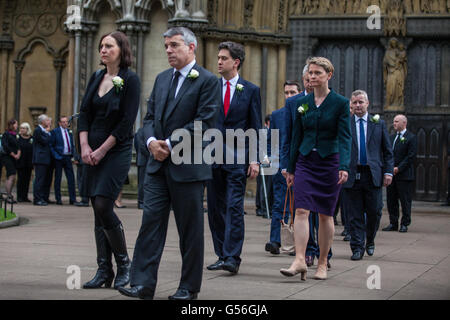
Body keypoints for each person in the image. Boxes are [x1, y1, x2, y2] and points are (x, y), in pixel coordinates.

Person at [119, 27, 220, 300]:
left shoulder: (208, 81)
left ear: (191, 47)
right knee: (150, 224)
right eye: (166, 46)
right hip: (157, 166)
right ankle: (142, 284)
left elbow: (206, 122)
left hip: (188, 167)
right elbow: (149, 116)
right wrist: (151, 141)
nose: (168, 50)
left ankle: (188, 288)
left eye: (174, 45)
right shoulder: (163, 78)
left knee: (190, 231)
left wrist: (171, 145)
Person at [78, 31, 140, 290]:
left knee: (104, 205)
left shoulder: (130, 79)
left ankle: (125, 266)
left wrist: (102, 150)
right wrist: (83, 145)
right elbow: (84, 113)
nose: (103, 50)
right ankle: (104, 270)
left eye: (109, 46)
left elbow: (127, 122)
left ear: (121, 49)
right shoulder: (96, 77)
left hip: (115, 150)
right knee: (96, 208)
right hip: (90, 150)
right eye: (101, 46)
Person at [281, 57, 351, 281]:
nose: (312, 77)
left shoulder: (340, 103)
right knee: (300, 210)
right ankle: (300, 259)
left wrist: (344, 165)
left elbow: (345, 137)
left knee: (325, 215)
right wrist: (290, 168)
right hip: (305, 162)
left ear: (328, 75)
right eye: (310, 73)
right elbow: (295, 137)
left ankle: (322, 263)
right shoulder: (303, 103)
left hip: (329, 162)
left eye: (317, 73)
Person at [206, 41, 261, 275]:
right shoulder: (209, 87)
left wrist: (255, 159)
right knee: (215, 209)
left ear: (236, 62)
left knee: (234, 207)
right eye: (218, 58)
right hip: (212, 158)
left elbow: (256, 127)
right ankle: (221, 254)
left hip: (238, 159)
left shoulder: (250, 90)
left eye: (223, 58)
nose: (219, 61)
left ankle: (232, 257)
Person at [342, 90, 393, 261]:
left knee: (375, 212)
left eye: (361, 102)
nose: (358, 105)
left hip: (373, 175)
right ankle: (357, 247)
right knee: (354, 214)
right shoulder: (345, 124)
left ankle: (370, 239)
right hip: (352, 174)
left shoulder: (378, 124)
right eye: (355, 102)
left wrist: (387, 171)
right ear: (351, 104)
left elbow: (387, 151)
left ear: (367, 103)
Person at [265, 80, 300, 255]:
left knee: (298, 204)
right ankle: (275, 241)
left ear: (299, 93)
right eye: (286, 93)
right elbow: (271, 139)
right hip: (281, 166)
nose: (289, 96)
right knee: (279, 203)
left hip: (301, 165)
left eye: (292, 92)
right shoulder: (277, 115)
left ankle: (297, 242)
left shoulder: (304, 111)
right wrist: (272, 159)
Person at [383, 115, 417, 233]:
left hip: (404, 175)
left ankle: (404, 223)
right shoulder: (391, 137)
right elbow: (387, 153)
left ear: (404, 123)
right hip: (391, 174)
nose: (394, 124)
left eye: (397, 121)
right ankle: (393, 223)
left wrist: (398, 168)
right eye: (394, 121)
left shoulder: (411, 137)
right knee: (391, 200)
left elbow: (411, 156)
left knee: (405, 200)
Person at [50, 116, 78, 205]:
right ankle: (58, 199)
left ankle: (72, 199)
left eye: (66, 122)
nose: (65, 123)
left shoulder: (69, 132)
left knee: (71, 179)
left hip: (68, 157)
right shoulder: (55, 132)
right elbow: (51, 145)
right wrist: (56, 156)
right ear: (59, 123)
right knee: (58, 178)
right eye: (63, 122)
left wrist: (74, 156)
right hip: (59, 157)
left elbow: (73, 144)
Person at [255, 115, 273, 218]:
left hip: (270, 161)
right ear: (267, 123)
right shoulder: (263, 131)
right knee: (263, 186)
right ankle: (262, 208)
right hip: (263, 160)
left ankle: (266, 208)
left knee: (268, 186)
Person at [32, 114, 52, 206]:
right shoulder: (38, 130)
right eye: (47, 120)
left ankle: (42, 197)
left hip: (45, 158)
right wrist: (47, 133)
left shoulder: (43, 130)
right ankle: (37, 199)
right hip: (40, 158)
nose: (49, 122)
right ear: (42, 121)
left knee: (43, 179)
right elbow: (44, 141)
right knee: (39, 179)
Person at [1, 119, 21, 203]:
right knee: (11, 175)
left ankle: (9, 194)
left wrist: (19, 153)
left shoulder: (15, 135)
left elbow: (18, 146)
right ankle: (8, 195)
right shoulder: (6, 134)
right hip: (7, 157)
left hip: (14, 158)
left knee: (13, 176)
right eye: (16, 124)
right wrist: (13, 154)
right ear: (12, 125)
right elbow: (5, 146)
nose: (17, 126)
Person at [16, 122, 33, 202]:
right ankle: (19, 196)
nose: (22, 130)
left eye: (24, 128)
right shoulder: (18, 138)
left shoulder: (31, 138)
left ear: (27, 129)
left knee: (27, 179)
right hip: (20, 162)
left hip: (29, 162)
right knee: (20, 180)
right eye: (21, 128)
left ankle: (25, 196)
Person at [134, 127, 149, 210]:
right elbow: (140, 145)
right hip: (143, 160)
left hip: (147, 159)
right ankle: (141, 202)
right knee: (142, 183)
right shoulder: (141, 131)